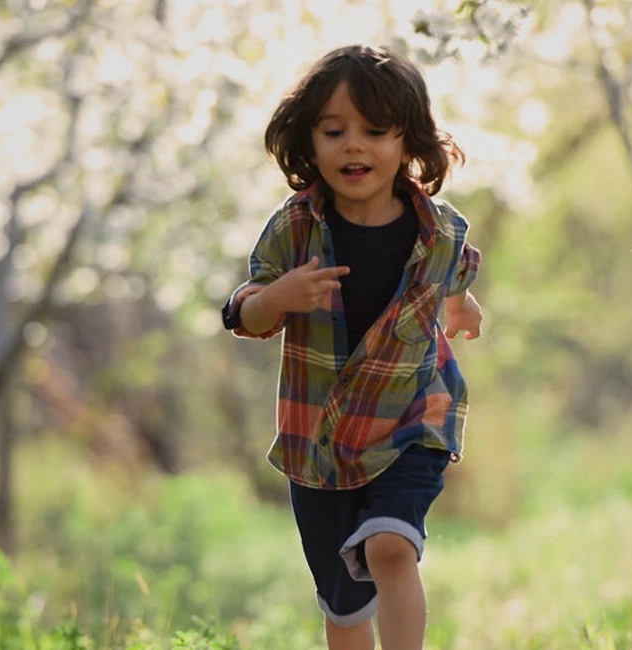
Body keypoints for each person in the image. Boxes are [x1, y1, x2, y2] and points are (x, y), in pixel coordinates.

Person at [220, 44, 483, 650]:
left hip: (412, 419)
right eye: (333, 131)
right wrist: (279, 296)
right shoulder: (296, 227)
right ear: (308, 144)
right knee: (344, 606)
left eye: (375, 131)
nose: (354, 146)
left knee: (390, 546)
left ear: (408, 144)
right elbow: (243, 311)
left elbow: (455, 281)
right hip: (321, 440)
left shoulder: (440, 230)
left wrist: (465, 308)